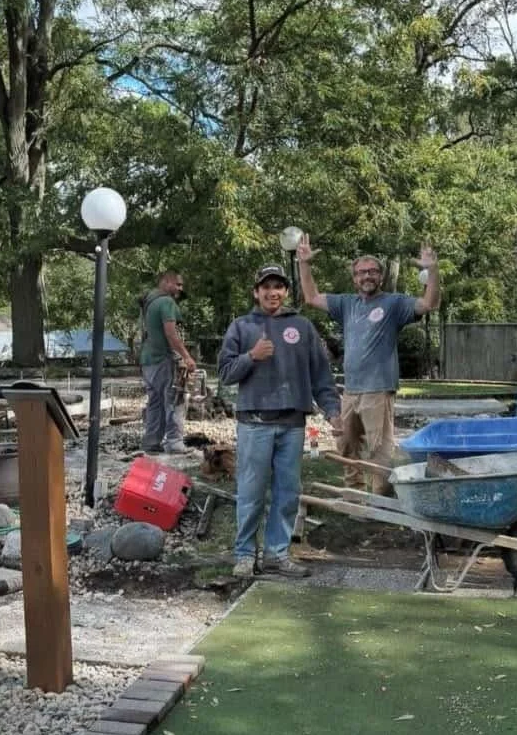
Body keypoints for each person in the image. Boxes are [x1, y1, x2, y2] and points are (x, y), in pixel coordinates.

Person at [218, 265, 342, 578]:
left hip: (293, 425)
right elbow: (225, 374)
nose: (272, 292)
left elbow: (321, 375)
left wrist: (332, 411)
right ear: (256, 292)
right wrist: (251, 357)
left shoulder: (301, 326)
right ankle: (245, 554)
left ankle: (277, 554)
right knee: (252, 491)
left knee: (288, 492)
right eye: (266, 287)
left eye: (278, 287)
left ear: (285, 292)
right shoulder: (241, 326)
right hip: (254, 423)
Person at [297, 235, 440, 494]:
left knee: (379, 449)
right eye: (361, 273)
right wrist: (304, 264)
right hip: (350, 391)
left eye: (372, 271)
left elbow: (429, 303)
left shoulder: (394, 304)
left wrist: (432, 270)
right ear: (354, 279)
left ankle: (381, 499)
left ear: (381, 276)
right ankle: (354, 493)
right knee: (347, 444)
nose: (367, 276)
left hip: (379, 389)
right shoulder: (346, 304)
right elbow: (311, 297)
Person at [139, 269, 197, 454]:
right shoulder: (166, 302)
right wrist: (186, 356)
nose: (180, 288)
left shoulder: (149, 302)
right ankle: (174, 442)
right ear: (165, 282)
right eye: (177, 284)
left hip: (148, 360)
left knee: (155, 402)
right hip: (164, 359)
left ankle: (151, 442)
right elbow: (171, 334)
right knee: (175, 398)